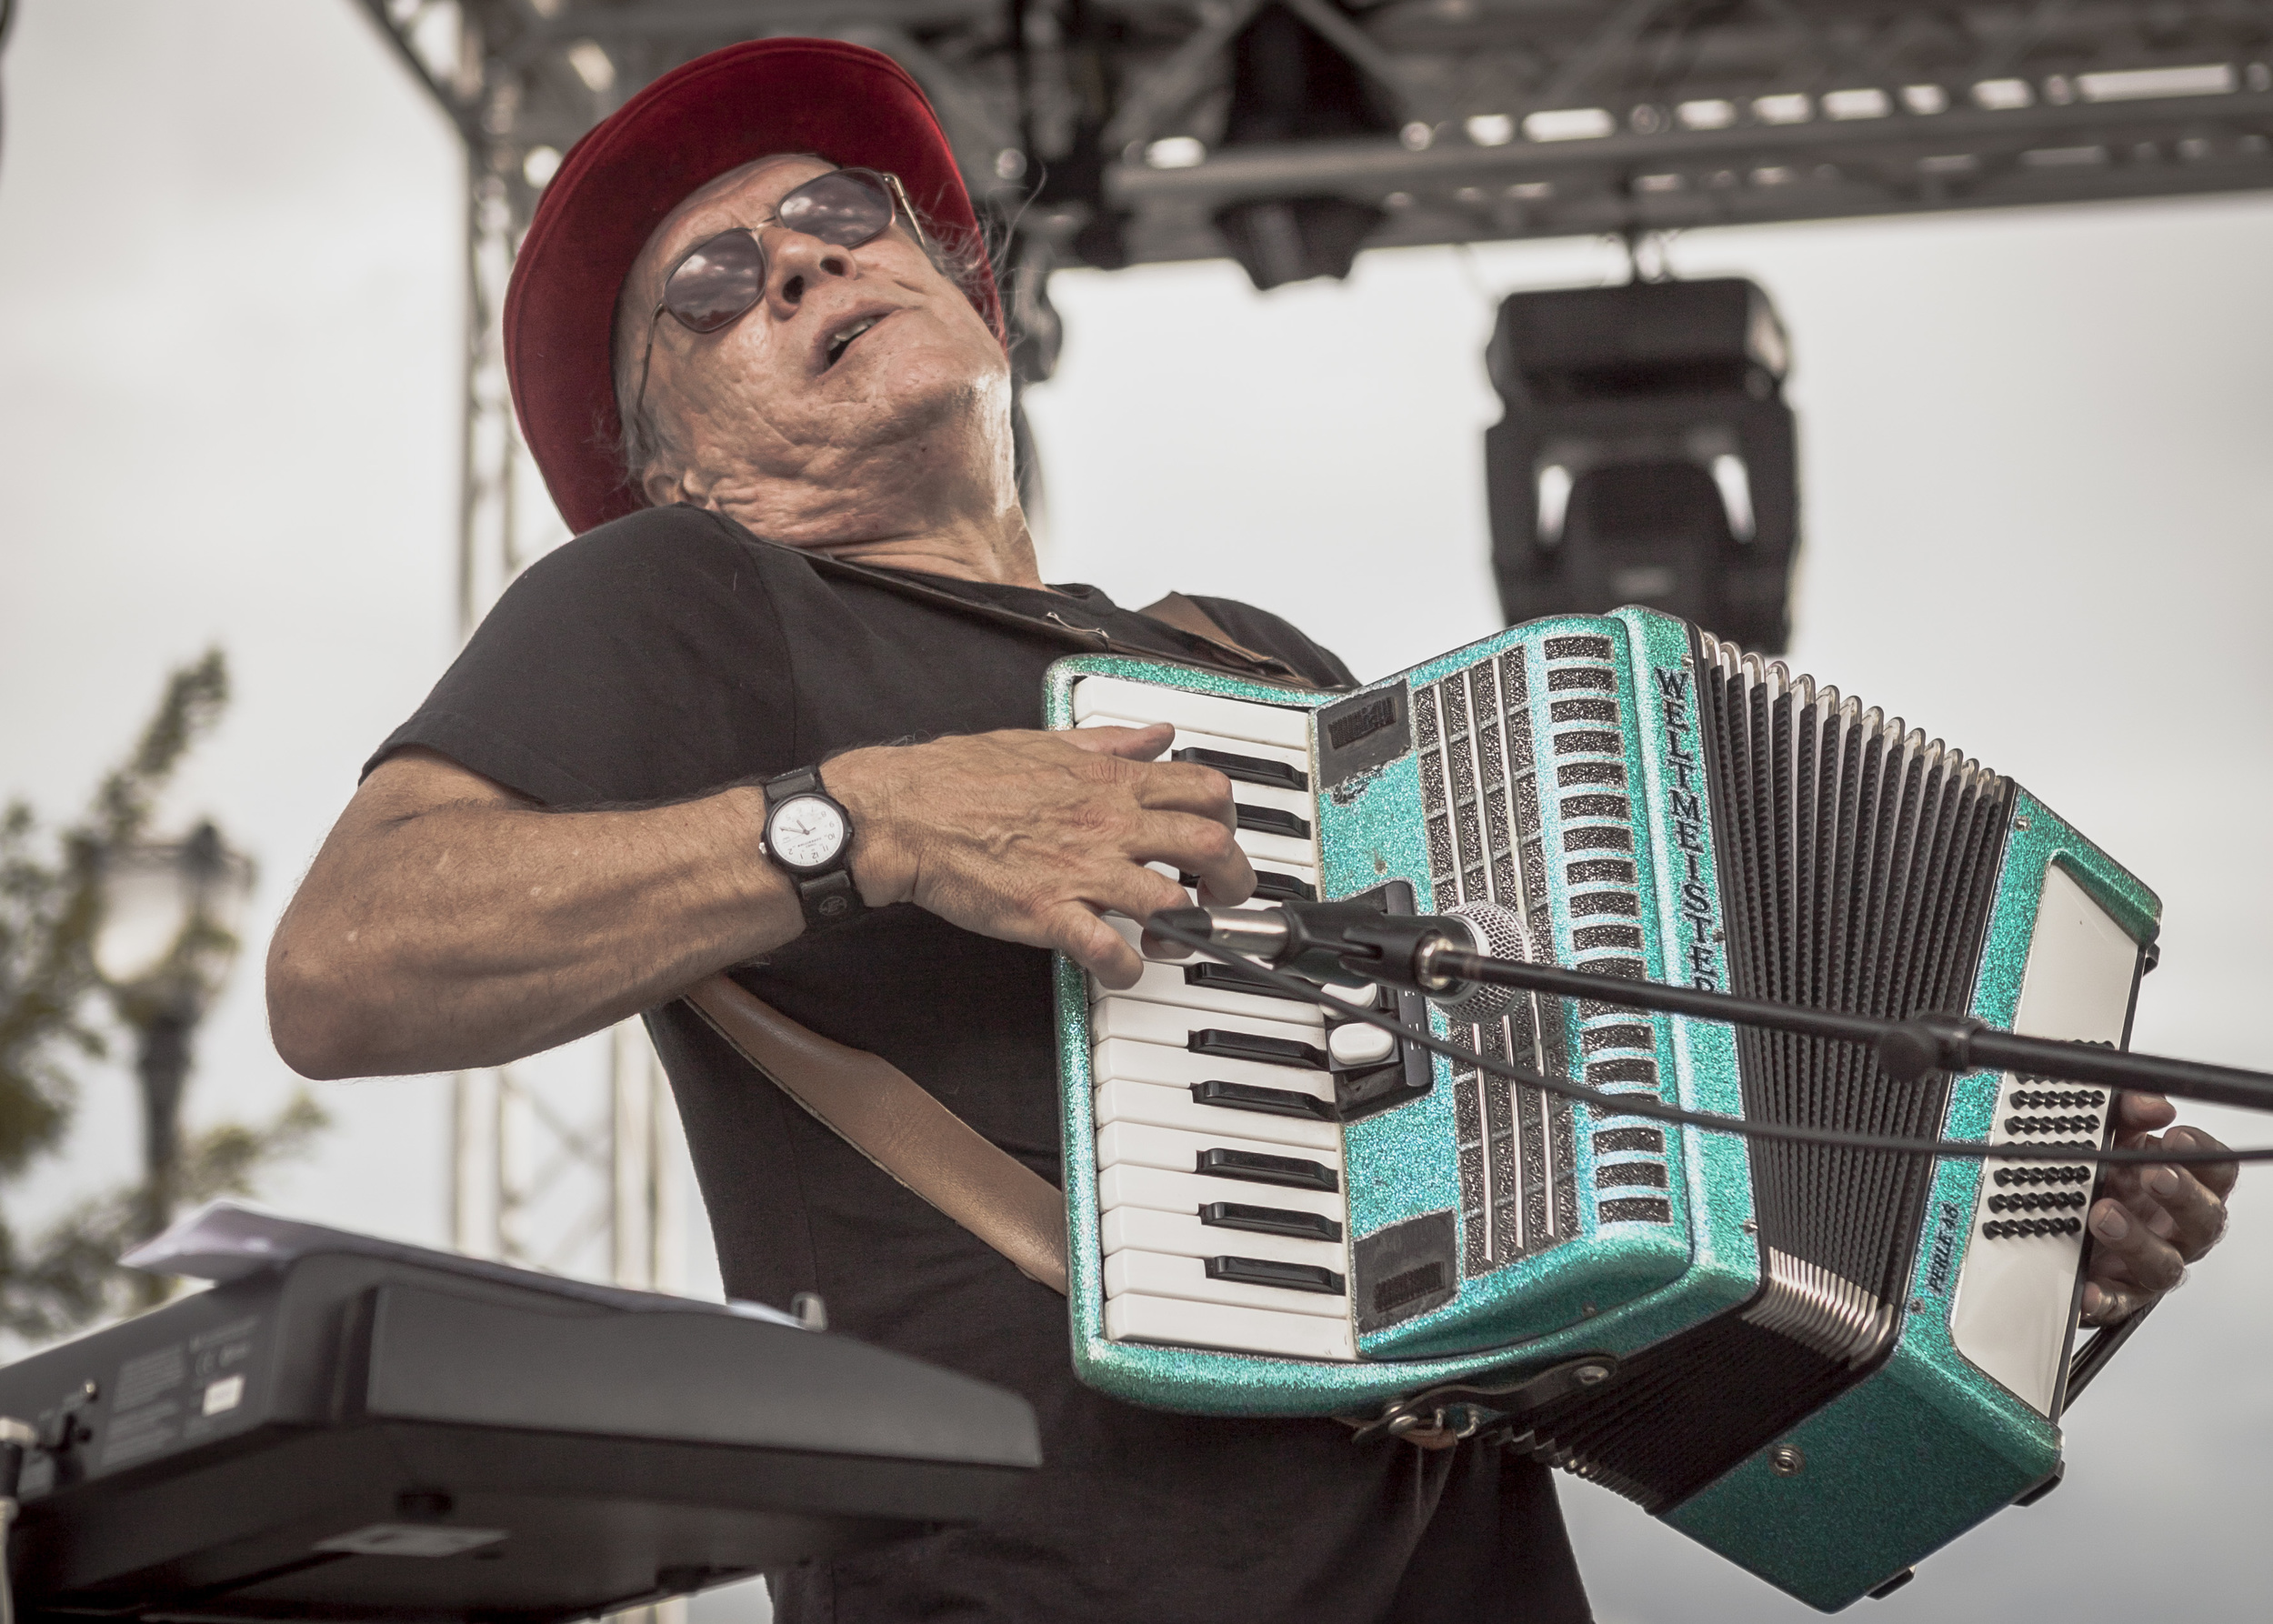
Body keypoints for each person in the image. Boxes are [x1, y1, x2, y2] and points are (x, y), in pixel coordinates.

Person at [265, 37, 2237, 1624]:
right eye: (710, 287)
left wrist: (2005, 1268)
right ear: (672, 458)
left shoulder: (1241, 661)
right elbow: (347, 963)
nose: (795, 261)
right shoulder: (684, 602)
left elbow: (1558, 1241)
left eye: (841, 215)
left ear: (966, 286)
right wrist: (849, 818)